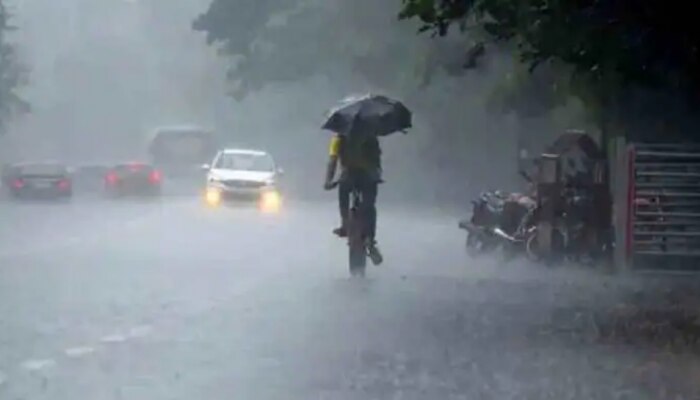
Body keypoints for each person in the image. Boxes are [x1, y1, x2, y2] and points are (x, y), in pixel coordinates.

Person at [323, 131, 383, 264]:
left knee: (343, 195)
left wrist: (328, 181)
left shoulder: (338, 138)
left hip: (349, 177)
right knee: (369, 205)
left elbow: (332, 161)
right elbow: (377, 160)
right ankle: (370, 238)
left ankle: (345, 224)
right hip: (368, 177)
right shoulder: (371, 136)